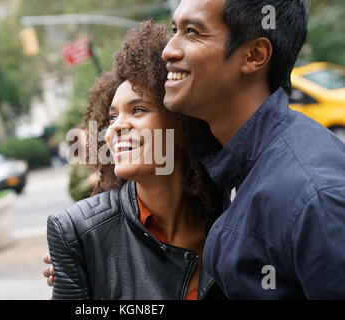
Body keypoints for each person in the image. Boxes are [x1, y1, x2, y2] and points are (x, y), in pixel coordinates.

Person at [162, 0, 345, 299]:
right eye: (174, 30)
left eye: (192, 32)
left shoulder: (317, 196)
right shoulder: (226, 164)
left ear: (254, 56)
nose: (168, 50)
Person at [45, 21, 223, 300]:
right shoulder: (80, 234)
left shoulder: (232, 211)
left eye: (138, 110)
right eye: (113, 117)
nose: (115, 127)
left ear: (183, 122)